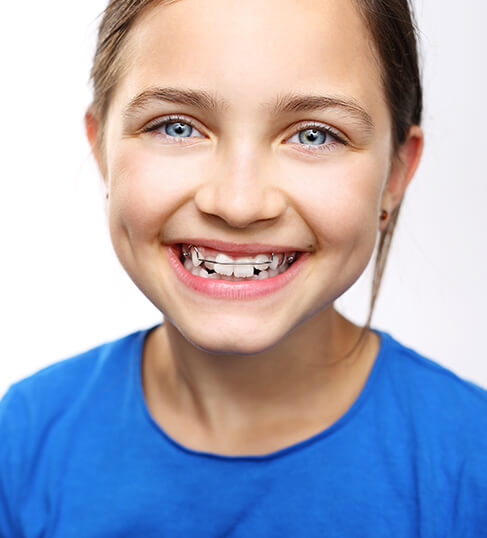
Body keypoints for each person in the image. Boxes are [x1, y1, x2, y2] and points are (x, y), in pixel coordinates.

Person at [1, 0, 486, 535]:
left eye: (313, 134)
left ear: (395, 174)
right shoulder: (23, 443)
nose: (238, 202)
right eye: (178, 127)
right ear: (102, 152)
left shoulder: (470, 465)